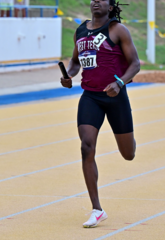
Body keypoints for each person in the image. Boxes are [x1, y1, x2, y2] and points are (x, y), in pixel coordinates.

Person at [60, 0, 140, 228]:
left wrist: (120, 83)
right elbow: (75, 62)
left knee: (129, 154)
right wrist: (69, 75)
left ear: (111, 6)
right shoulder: (81, 30)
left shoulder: (117, 30)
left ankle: (129, 138)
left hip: (115, 96)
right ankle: (97, 208)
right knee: (86, 146)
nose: (96, 1)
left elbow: (135, 64)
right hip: (91, 97)